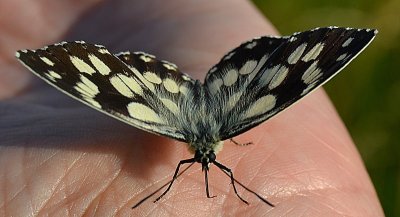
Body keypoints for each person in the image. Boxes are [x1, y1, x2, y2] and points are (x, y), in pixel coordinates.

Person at [0, 0, 384, 216]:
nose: (201, 159)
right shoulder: (221, 132)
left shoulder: (192, 135)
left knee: (128, 105)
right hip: (227, 96)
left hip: (168, 102)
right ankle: (62, 65)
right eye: (206, 157)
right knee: (117, 103)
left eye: (203, 157)